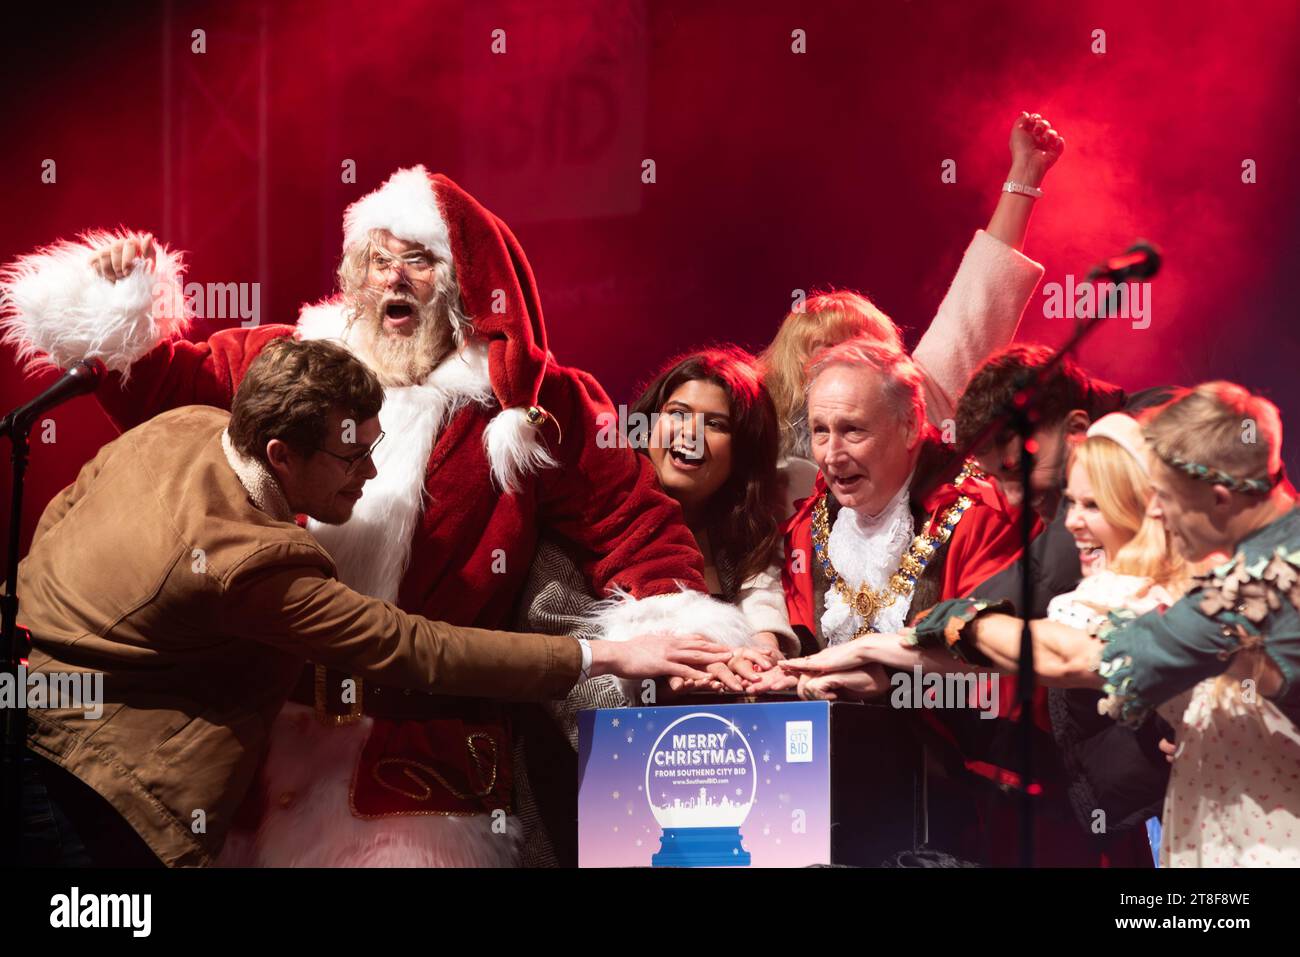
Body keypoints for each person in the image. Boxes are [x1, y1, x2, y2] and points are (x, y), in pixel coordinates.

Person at [0, 166, 758, 867]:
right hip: (255, 748)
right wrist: (119, 302)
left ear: (460, 284)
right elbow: (161, 387)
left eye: (419, 261)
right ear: (350, 275)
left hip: (417, 767)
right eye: (376, 259)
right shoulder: (287, 361)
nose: (394, 277)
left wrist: (670, 634)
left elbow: (632, 520)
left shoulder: (529, 400)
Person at [800, 385, 1300, 866]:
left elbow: (1079, 656)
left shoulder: (1258, 586)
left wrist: (963, 622)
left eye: (1167, 503)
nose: (1159, 518)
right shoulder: (1252, 571)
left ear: (1217, 499)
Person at [509, 347, 790, 865]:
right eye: (677, 415)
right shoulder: (587, 522)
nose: (689, 433)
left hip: (727, 812)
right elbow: (552, 648)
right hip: (580, 803)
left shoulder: (746, 550)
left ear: (743, 451)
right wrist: (651, 709)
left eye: (715, 424)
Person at [761, 111, 1065, 511]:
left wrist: (1024, 175)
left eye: (852, 347)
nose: (838, 363)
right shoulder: (764, 449)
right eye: (818, 353)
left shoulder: (923, 394)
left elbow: (981, 292)